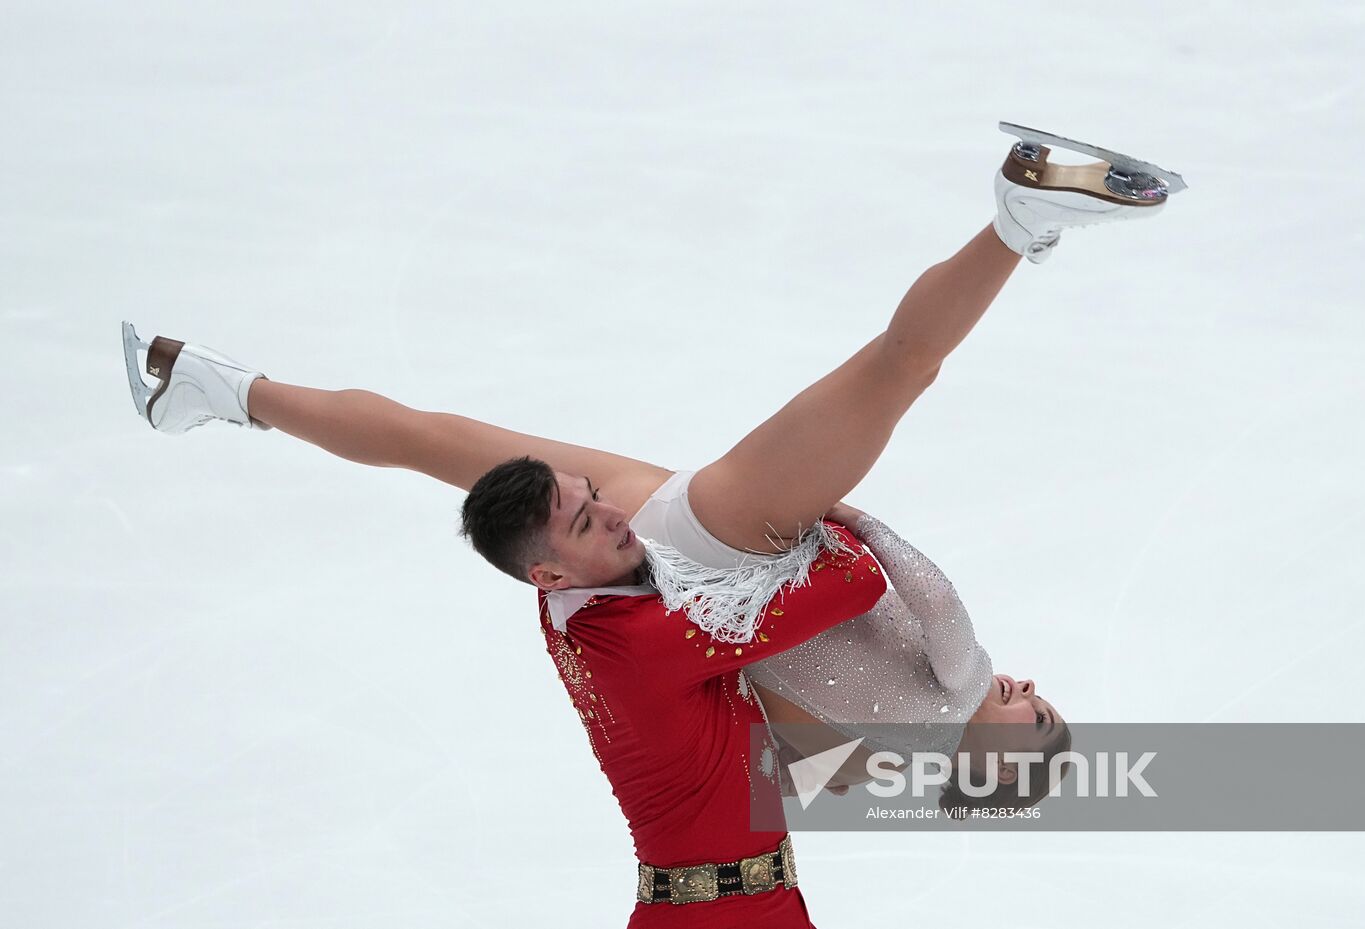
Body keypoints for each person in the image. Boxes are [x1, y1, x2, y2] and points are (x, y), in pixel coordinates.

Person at [122, 127, 1175, 925]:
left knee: (895, 368)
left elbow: (886, 577)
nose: (1030, 692)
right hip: (700, 554)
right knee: (431, 441)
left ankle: (1015, 217)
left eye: (1031, 723)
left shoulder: (939, 694)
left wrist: (829, 511)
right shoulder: (870, 764)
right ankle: (218, 389)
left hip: (732, 540)